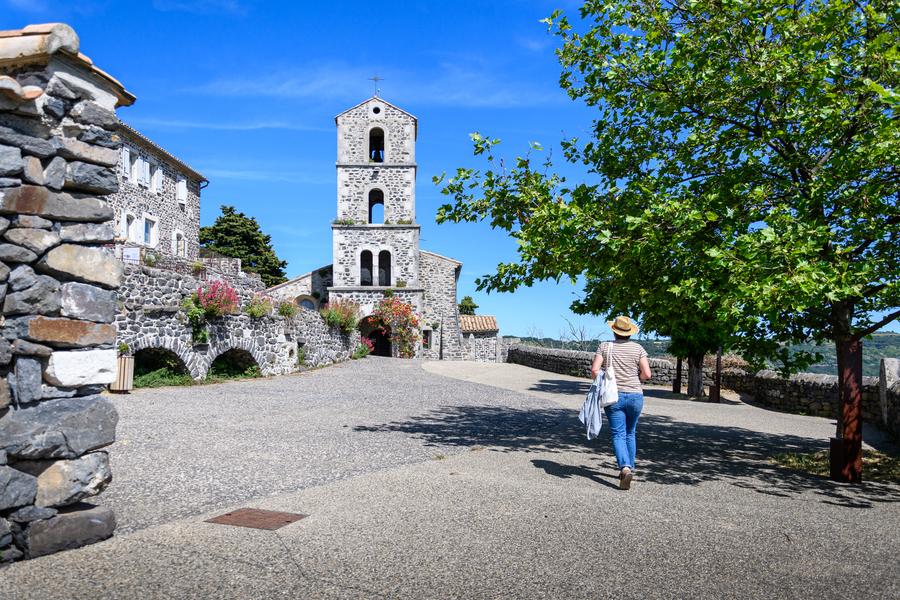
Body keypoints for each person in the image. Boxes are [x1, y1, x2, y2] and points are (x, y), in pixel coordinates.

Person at [590, 315, 652, 490]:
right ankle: (629, 467)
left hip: (613, 396)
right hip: (635, 396)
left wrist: (605, 380)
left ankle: (624, 468)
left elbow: (595, 370)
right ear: (629, 332)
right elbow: (647, 375)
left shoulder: (605, 346)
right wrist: (635, 379)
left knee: (618, 433)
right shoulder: (638, 348)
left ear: (614, 331)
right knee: (630, 432)